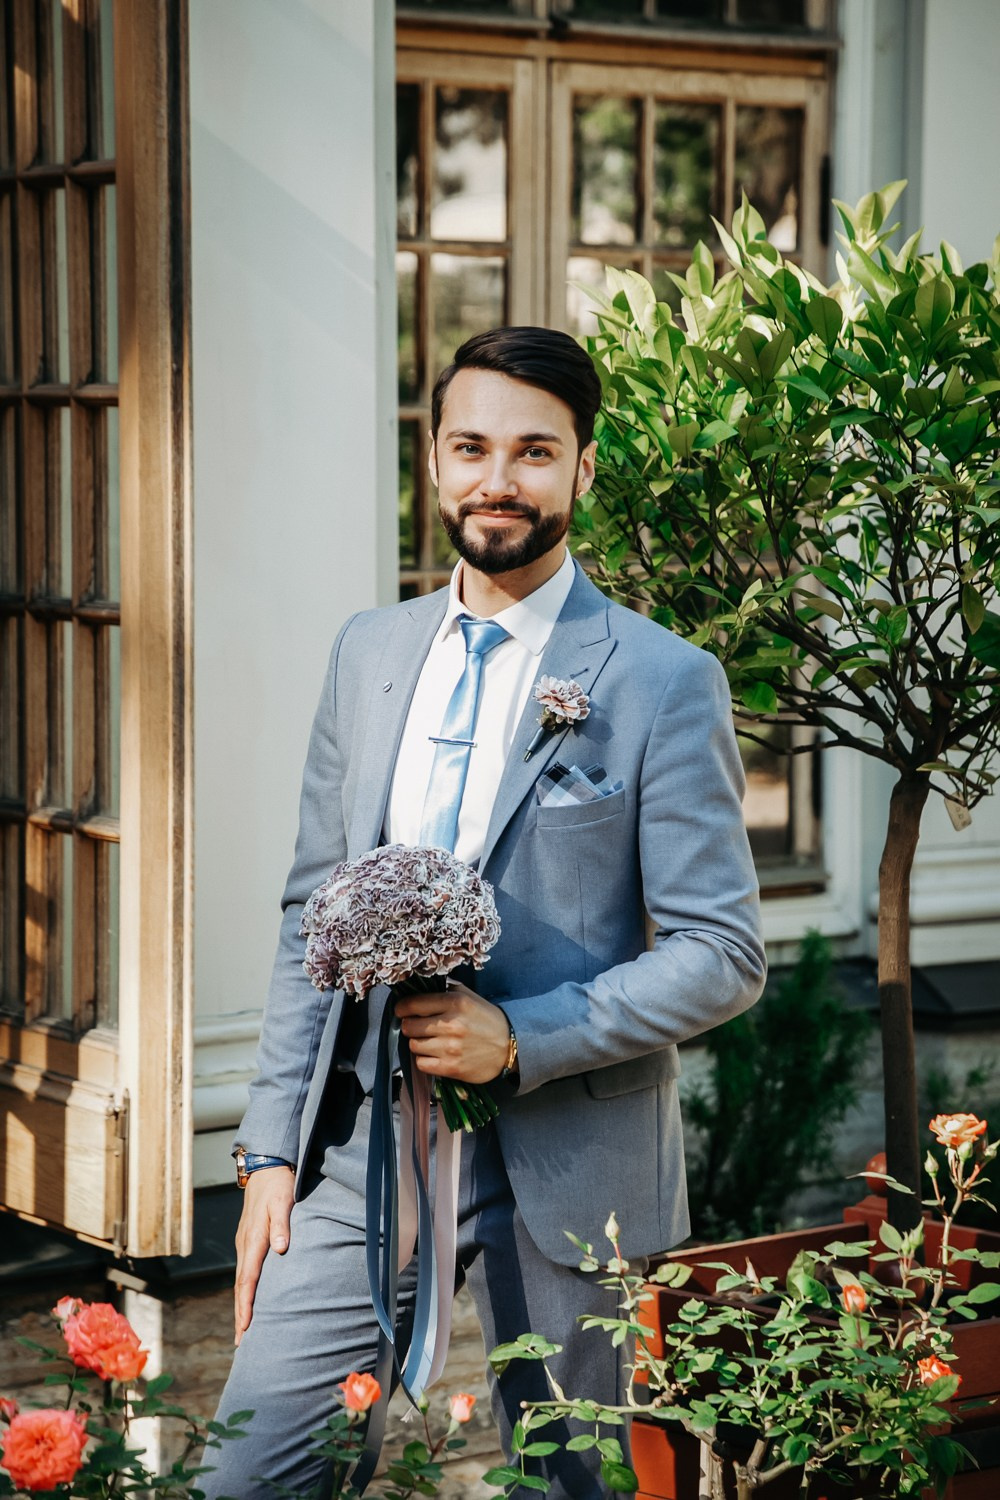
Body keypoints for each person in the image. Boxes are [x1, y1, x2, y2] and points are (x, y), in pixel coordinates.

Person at [204, 326, 766, 1499]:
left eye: (533, 451)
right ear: (433, 459)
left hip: (571, 1160)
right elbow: (313, 909)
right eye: (470, 447)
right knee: (252, 1476)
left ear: (583, 468)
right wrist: (267, 1152)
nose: (497, 478)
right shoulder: (368, 651)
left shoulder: (662, 679)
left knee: (574, 1485)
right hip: (357, 1146)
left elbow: (721, 952)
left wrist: (519, 1036)